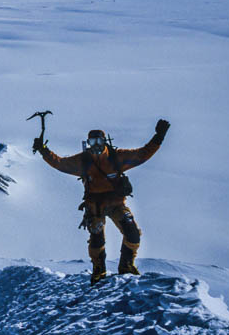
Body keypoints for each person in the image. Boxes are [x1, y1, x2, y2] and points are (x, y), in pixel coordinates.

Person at [33, 119, 170, 285]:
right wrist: (44, 150)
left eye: (98, 141)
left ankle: (126, 265)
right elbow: (61, 163)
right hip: (94, 207)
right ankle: (99, 269)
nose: (96, 145)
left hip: (117, 204)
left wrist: (159, 137)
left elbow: (142, 154)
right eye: (92, 142)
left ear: (105, 142)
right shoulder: (83, 161)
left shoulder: (116, 158)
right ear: (88, 143)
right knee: (97, 240)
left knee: (132, 235)